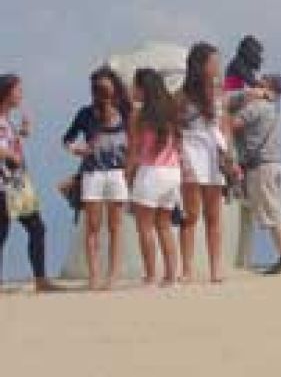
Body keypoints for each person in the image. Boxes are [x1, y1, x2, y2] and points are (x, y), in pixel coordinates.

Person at [62, 66, 132, 290]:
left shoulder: (125, 110)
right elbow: (67, 139)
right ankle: (94, 275)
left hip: (117, 172)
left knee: (115, 226)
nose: (101, 90)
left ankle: (112, 275)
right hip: (93, 172)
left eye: (104, 84)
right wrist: (77, 150)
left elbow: (136, 136)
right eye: (96, 86)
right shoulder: (86, 113)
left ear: (114, 86)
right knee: (93, 226)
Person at [178, 42, 238, 283]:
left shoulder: (220, 93)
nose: (217, 66)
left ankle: (215, 268)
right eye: (213, 62)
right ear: (200, 65)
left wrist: (230, 155)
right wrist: (182, 159)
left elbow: (225, 125)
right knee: (190, 215)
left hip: (215, 153)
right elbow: (176, 129)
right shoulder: (182, 96)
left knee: (214, 216)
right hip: (192, 151)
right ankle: (187, 269)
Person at [229, 74, 281, 275]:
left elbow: (232, 124)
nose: (257, 82)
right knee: (280, 212)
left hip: (262, 168)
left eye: (262, 80)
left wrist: (235, 103)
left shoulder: (258, 107)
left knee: (273, 214)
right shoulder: (273, 109)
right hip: (275, 165)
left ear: (267, 87)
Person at [0, 74, 59, 292]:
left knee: (37, 227)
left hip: (17, 183)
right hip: (4, 184)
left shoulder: (6, 120)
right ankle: (41, 279)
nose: (21, 95)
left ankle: (41, 280)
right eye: (18, 90)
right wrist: (8, 154)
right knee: (2, 232)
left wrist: (22, 132)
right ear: (6, 93)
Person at [127, 68, 182, 287]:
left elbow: (134, 149)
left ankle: (150, 276)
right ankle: (171, 276)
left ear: (143, 89)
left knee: (145, 227)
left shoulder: (138, 115)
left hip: (150, 172)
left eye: (135, 86)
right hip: (172, 172)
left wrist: (127, 174)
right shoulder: (171, 112)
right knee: (165, 226)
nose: (132, 89)